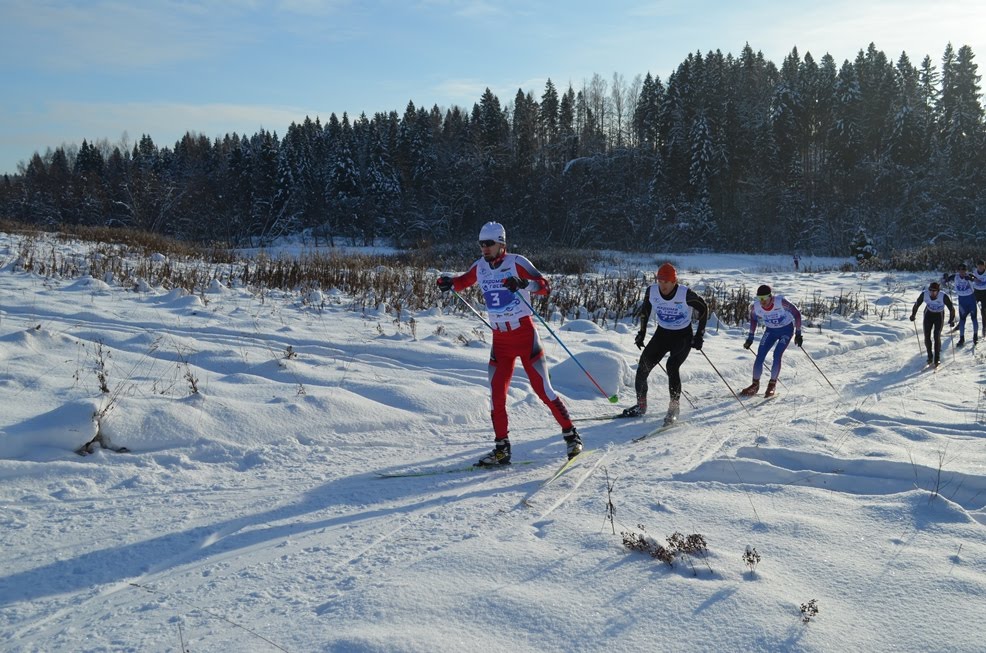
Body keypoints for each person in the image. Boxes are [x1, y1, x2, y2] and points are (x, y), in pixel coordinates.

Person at [436, 221, 582, 466]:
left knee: (544, 391)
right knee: (496, 396)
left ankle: (571, 435)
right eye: (481, 244)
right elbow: (463, 281)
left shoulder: (517, 262)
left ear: (501, 243)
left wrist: (525, 284)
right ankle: (501, 450)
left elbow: (544, 286)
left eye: (489, 244)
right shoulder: (480, 267)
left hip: (525, 336)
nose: (484, 248)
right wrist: (449, 282)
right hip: (500, 340)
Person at [621, 262, 708, 426]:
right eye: (660, 281)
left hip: (682, 336)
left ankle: (674, 408)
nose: (663, 285)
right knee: (642, 368)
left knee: (672, 366)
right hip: (662, 334)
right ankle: (641, 406)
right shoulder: (652, 291)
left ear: (674, 281)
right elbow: (645, 311)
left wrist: (699, 335)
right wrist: (642, 333)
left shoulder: (685, 294)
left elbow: (703, 308)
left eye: (666, 282)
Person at [740, 285, 803, 397]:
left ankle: (772, 385)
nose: (762, 301)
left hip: (786, 331)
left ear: (771, 296)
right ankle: (755, 385)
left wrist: (798, 333)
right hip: (770, 331)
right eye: (760, 298)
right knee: (760, 355)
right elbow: (753, 319)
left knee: (777, 354)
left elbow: (797, 314)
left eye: (764, 298)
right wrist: (750, 337)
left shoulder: (781, 302)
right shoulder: (756, 307)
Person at [909, 281, 956, 366]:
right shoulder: (924, 294)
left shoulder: (943, 296)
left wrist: (951, 320)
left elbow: (951, 309)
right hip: (928, 314)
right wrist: (913, 314)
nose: (932, 293)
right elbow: (917, 304)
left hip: (939, 315)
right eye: (931, 290)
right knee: (927, 336)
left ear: (938, 291)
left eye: (934, 291)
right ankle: (930, 356)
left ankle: (937, 358)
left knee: (936, 335)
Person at [952, 263, 978, 346]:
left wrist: (970, 278)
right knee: (962, 319)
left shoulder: (969, 275)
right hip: (962, 301)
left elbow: (975, 279)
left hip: (971, 300)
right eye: (960, 270)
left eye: (963, 270)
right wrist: (945, 277)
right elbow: (944, 280)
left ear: (966, 271)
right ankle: (961, 338)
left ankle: (975, 336)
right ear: (958, 270)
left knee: (974, 318)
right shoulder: (955, 276)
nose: (962, 272)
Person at [972, 260, 986, 340]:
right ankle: (959, 325)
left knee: (983, 311)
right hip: (976, 292)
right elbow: (970, 277)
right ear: (977, 266)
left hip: (985, 293)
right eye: (978, 266)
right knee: (970, 308)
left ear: (984, 266)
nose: (980, 267)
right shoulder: (975, 272)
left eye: (982, 266)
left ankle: (984, 328)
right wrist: (974, 279)